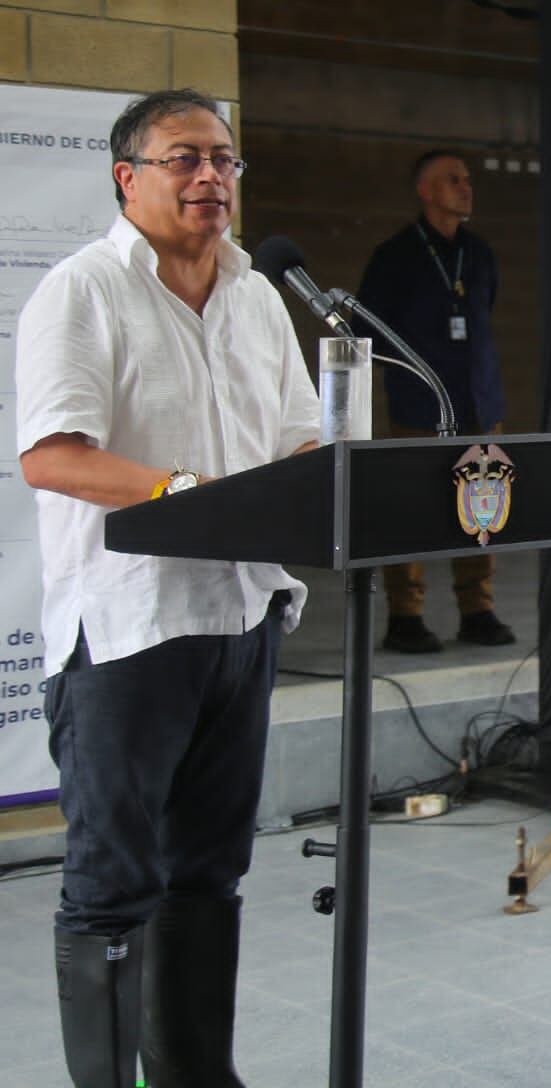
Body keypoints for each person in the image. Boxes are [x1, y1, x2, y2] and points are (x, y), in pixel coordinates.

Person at [15, 90, 321, 1084]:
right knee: (111, 883)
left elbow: (297, 441)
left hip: (240, 617)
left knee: (208, 873)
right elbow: (52, 456)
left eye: (225, 160)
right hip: (127, 628)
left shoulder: (259, 295)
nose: (210, 178)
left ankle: (195, 1073)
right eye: (185, 158)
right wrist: (184, 493)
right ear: (128, 176)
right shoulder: (83, 290)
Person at [358, 149, 514, 653]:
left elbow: (484, 311)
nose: (465, 188)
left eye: (467, 180)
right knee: (413, 510)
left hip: (479, 404)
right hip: (419, 406)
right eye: (452, 180)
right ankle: (405, 615)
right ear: (425, 191)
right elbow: (368, 330)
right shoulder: (395, 256)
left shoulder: (481, 253)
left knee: (483, 508)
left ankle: (478, 609)